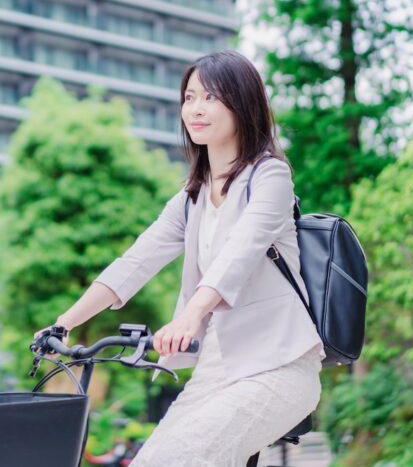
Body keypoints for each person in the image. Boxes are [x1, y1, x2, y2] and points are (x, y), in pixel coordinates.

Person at [34, 50, 325, 466]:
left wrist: (191, 315)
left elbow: (240, 254)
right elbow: (135, 262)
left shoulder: (270, 177)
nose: (196, 109)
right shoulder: (191, 200)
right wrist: (65, 322)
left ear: (242, 105)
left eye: (211, 97)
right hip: (217, 372)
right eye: (189, 97)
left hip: (278, 368)